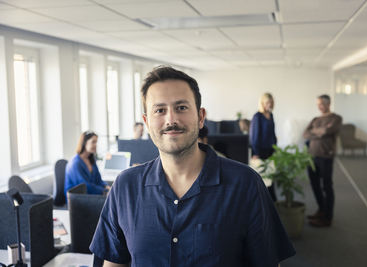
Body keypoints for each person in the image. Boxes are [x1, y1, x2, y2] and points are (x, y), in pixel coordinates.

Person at [90, 66, 295, 267]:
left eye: (181, 107)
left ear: (200, 117)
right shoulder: (125, 187)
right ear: (146, 122)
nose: (171, 119)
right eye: (160, 110)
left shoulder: (245, 184)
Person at [303, 94, 342, 227]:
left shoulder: (336, 118)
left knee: (326, 186)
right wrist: (320, 131)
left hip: (326, 156)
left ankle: (327, 217)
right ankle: (321, 210)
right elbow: (305, 134)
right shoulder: (315, 118)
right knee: (315, 185)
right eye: (317, 104)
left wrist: (315, 131)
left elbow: (328, 130)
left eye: (320, 104)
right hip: (312, 156)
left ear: (327, 104)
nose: (318, 106)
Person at [249, 92, 278, 202]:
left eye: (270, 102)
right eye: (267, 103)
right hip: (259, 151)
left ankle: (272, 200)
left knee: (270, 176)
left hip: (270, 150)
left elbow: (273, 133)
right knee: (262, 177)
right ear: (262, 103)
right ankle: (264, 201)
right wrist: (256, 153)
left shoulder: (271, 115)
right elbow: (254, 136)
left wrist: (276, 148)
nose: (269, 105)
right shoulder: (258, 116)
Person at [64, 131, 110, 197]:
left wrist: (106, 186)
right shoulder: (75, 163)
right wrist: (104, 191)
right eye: (93, 142)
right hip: (77, 198)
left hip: (90, 194)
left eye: (96, 142)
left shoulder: (91, 159)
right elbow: (85, 186)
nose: (96, 145)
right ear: (84, 143)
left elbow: (98, 180)